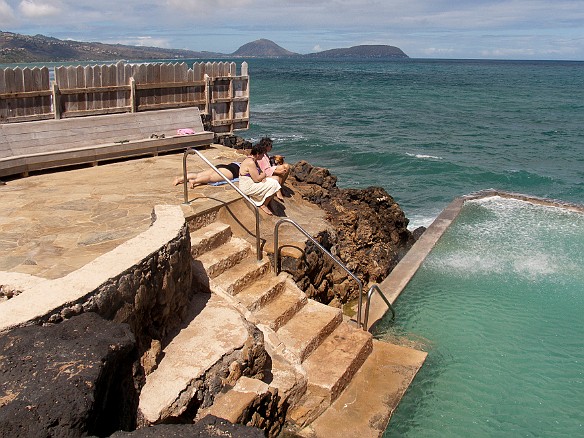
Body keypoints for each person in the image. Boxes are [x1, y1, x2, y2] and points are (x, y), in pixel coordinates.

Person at [238, 144, 281, 215]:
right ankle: (264, 205)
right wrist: (263, 175)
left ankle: (267, 201)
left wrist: (262, 177)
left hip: (249, 183)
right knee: (274, 184)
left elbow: (258, 175)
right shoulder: (251, 162)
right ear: (258, 154)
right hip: (247, 187)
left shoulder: (252, 160)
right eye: (262, 155)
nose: (263, 156)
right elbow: (256, 179)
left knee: (273, 181)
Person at [173, 162, 240, 188]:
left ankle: (179, 179)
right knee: (210, 178)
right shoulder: (247, 166)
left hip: (222, 166)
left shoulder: (238, 163)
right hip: (230, 172)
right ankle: (194, 181)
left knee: (198, 174)